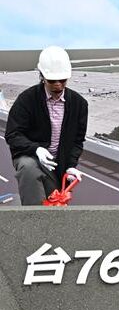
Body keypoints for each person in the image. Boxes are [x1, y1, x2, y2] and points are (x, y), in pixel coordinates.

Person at [5, 46, 87, 205]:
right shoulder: (27, 100)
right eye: (52, 81)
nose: (58, 85)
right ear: (42, 76)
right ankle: (35, 219)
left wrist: (71, 166)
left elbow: (77, 141)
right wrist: (36, 149)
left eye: (62, 80)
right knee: (28, 168)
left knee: (55, 203)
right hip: (31, 156)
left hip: (58, 164)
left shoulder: (79, 104)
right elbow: (13, 134)